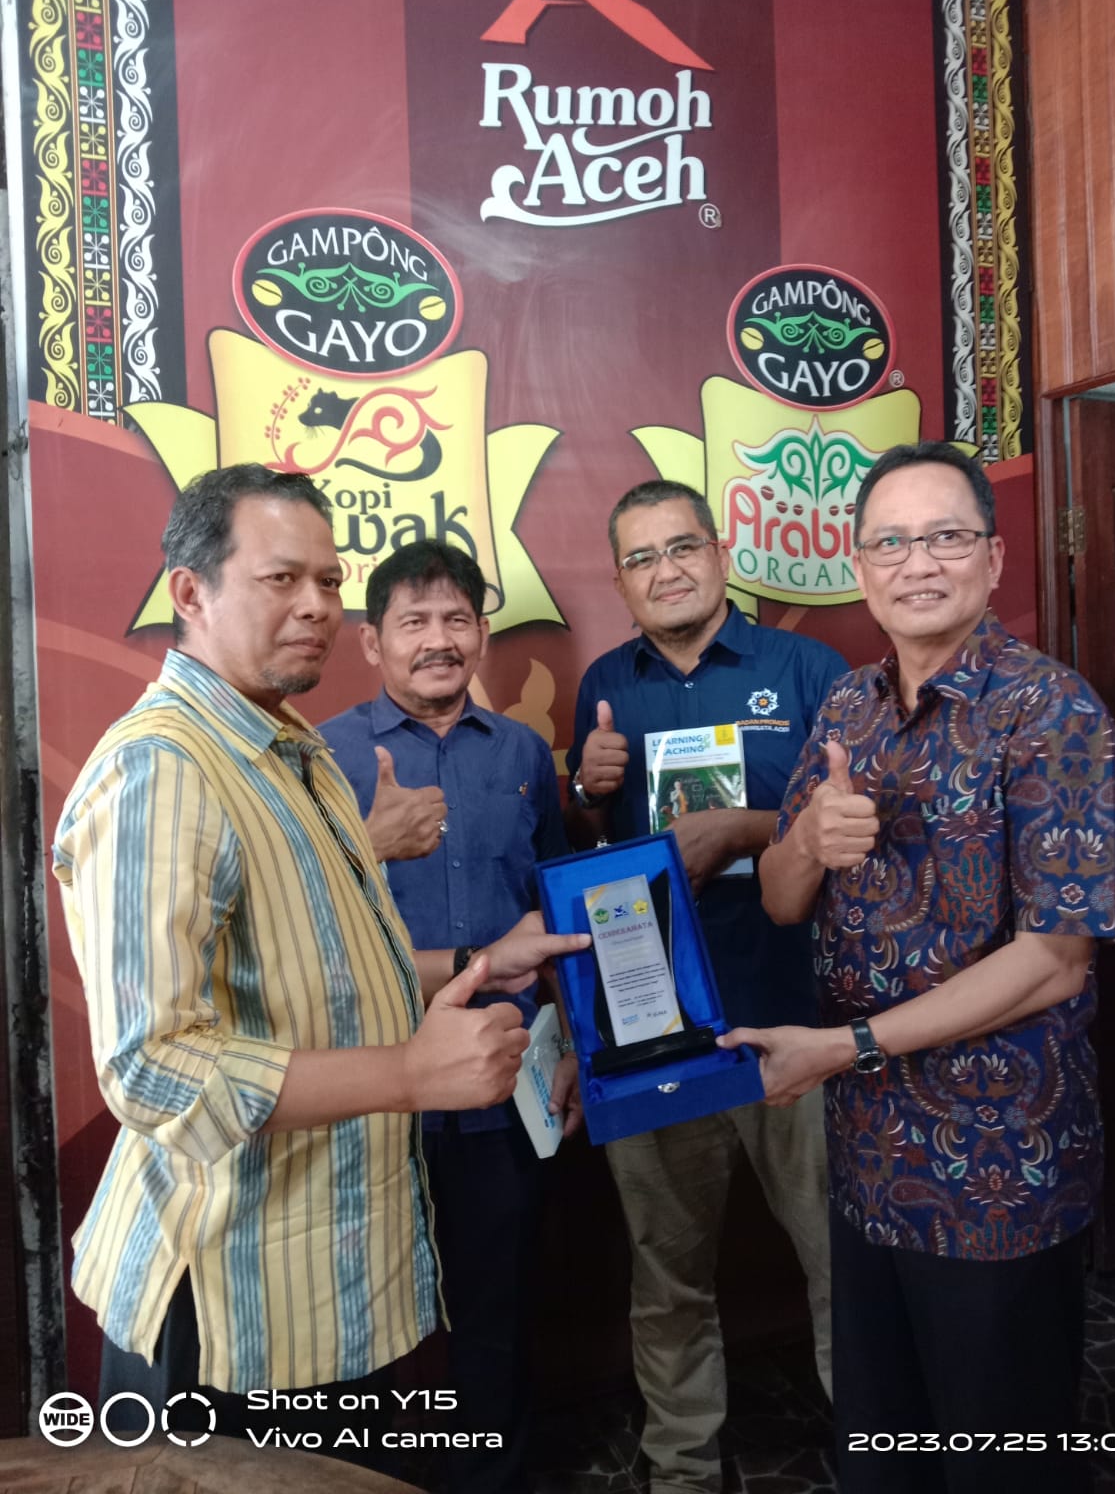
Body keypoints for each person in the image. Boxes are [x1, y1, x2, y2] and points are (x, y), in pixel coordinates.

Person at [52, 465, 587, 1451]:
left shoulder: (291, 754)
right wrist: (410, 1073)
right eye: (281, 578)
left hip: (322, 1290)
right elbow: (152, 1066)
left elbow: (331, 966)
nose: (315, 606)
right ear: (190, 591)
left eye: (329, 581)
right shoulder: (162, 767)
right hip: (227, 1310)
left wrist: (474, 966)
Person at [721, 441, 1115, 1494]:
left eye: (945, 536)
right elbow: (779, 897)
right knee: (884, 1447)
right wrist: (809, 837)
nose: (918, 563)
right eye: (891, 543)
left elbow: (1056, 959)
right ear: (860, 568)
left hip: (1001, 1175)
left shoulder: (1054, 712)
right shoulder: (846, 710)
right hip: (869, 1160)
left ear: (992, 558)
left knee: (1001, 1460)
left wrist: (846, 1045)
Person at [566, 479, 847, 1494]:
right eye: (642, 557)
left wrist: (743, 829)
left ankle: (878, 1452)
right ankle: (681, 1467)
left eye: (682, 546)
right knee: (667, 1272)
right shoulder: (608, 684)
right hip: (659, 1027)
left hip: (795, 1012)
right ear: (621, 581)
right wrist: (587, 791)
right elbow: (592, 860)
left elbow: (860, 821)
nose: (667, 570)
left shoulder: (807, 669)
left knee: (841, 1262)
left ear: (721, 552)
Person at [320, 541, 576, 1494]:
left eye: (457, 619)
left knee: (498, 1307)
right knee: (362, 1324)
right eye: (414, 622)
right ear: (371, 642)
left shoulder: (520, 753)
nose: (438, 639)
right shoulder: (320, 757)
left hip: (505, 1085)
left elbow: (553, 910)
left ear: (481, 633)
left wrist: (573, 1049)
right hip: (370, 1091)